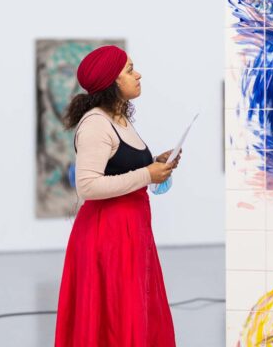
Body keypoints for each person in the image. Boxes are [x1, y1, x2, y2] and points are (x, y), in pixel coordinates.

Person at [54, 45, 180, 346]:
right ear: (112, 81)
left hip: (131, 233)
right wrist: (146, 174)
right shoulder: (96, 124)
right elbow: (87, 186)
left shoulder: (121, 120)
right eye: (129, 70)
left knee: (131, 312)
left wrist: (155, 166)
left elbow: (126, 171)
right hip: (107, 237)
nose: (138, 75)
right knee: (113, 316)